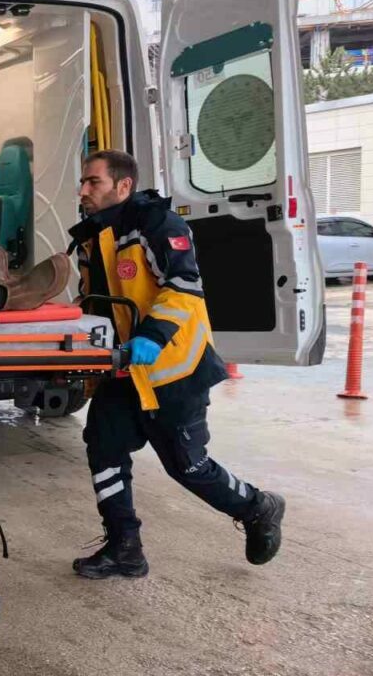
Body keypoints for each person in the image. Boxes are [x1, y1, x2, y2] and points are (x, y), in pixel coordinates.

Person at [67, 149, 285, 579]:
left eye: (93, 182)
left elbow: (184, 286)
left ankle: (258, 507)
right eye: (83, 182)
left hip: (173, 371)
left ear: (123, 186)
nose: (83, 191)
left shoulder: (157, 225)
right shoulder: (93, 236)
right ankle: (124, 547)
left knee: (188, 466)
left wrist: (152, 337)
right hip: (124, 372)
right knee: (103, 447)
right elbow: (95, 301)